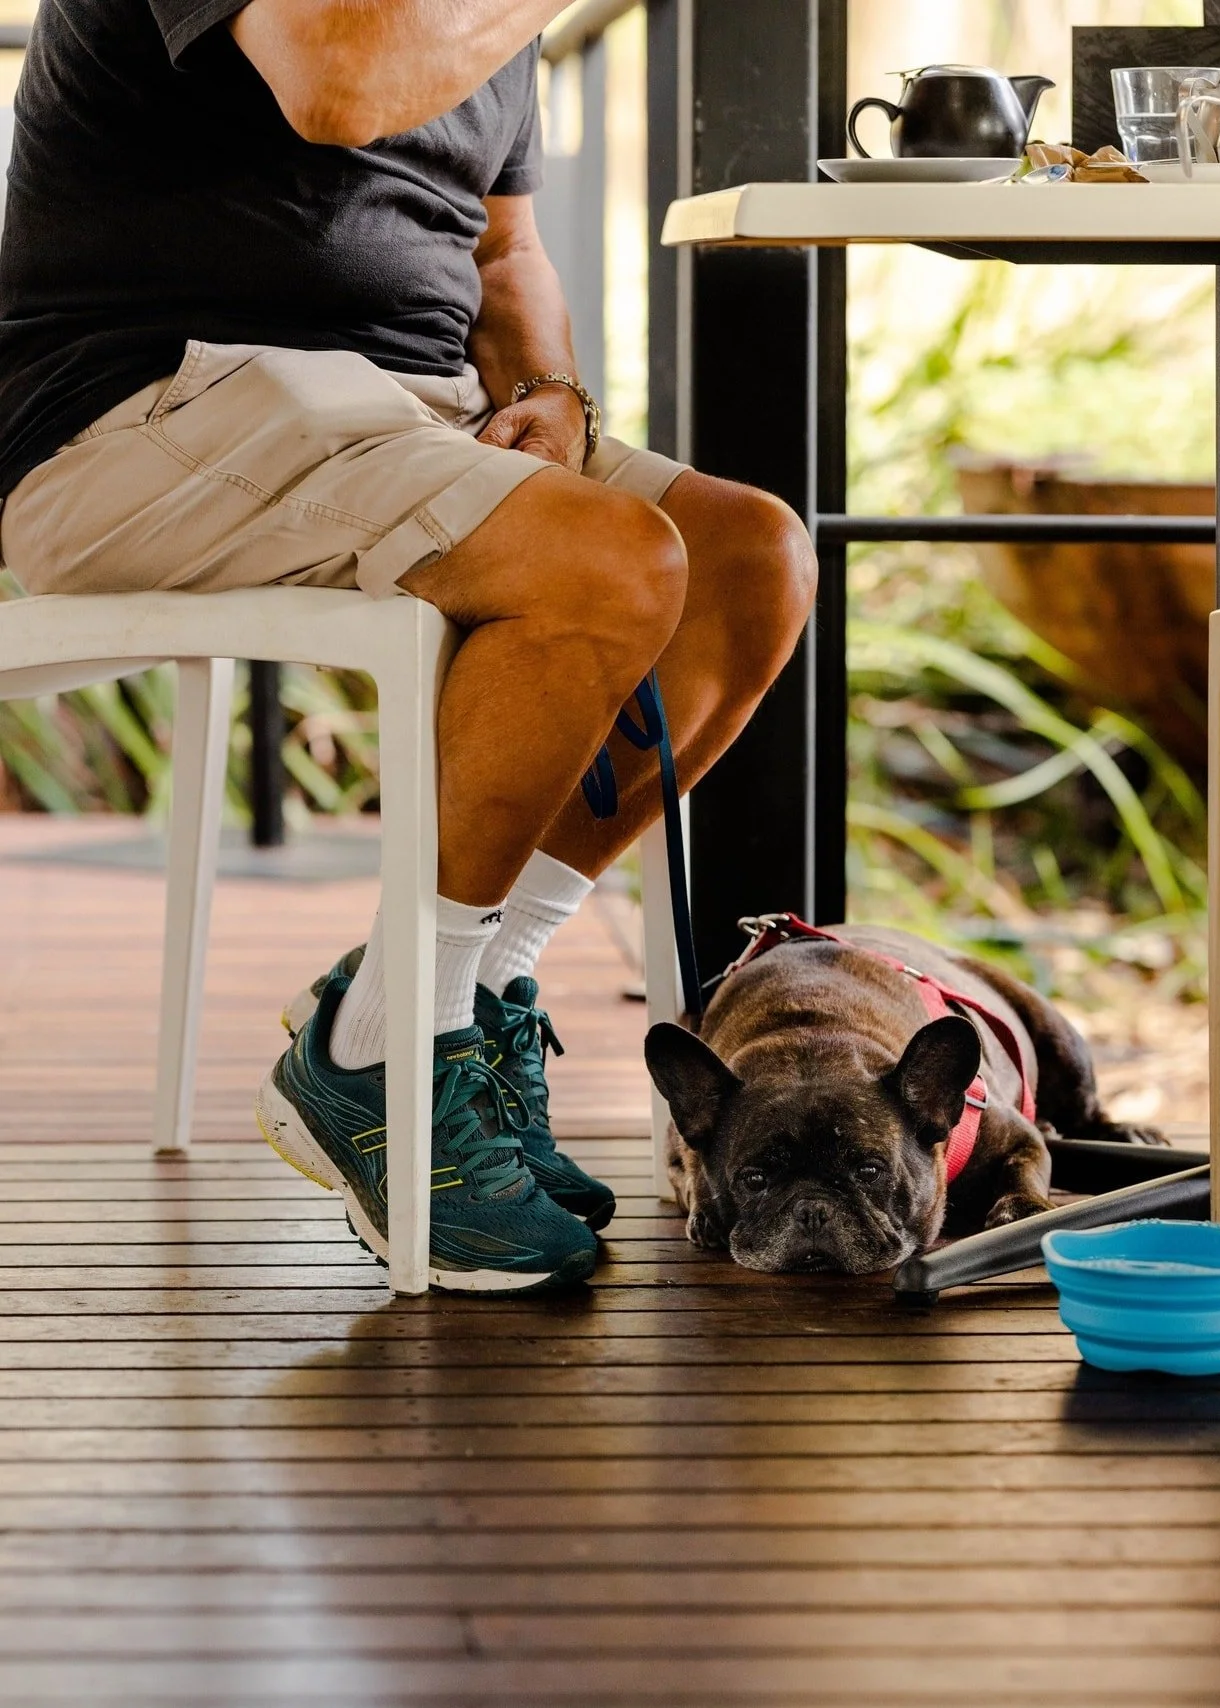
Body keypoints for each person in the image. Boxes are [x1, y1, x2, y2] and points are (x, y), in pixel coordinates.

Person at [0, 0, 817, 1292]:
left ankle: (433, 999)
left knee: (747, 562)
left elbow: (504, 251)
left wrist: (551, 395)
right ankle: (389, 1060)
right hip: (151, 408)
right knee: (613, 568)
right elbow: (336, 80)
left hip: (409, 414)